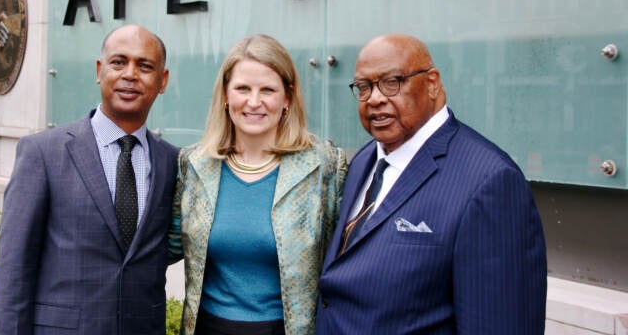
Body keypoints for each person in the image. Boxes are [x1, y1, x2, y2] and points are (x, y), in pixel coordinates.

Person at [315, 33, 547, 334]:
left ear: (433, 83)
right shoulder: (363, 161)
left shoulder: (490, 182)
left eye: (391, 82)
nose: (375, 98)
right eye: (364, 87)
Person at [0, 24, 179, 334]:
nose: (130, 74)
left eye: (145, 66)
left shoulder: (172, 162)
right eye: (119, 62)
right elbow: (14, 270)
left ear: (163, 80)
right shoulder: (43, 153)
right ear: (99, 70)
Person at [169, 34, 347, 335]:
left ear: (287, 97)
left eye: (268, 89)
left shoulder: (324, 167)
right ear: (226, 94)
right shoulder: (194, 164)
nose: (254, 102)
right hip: (208, 328)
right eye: (242, 88)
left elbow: (344, 267)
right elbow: (165, 248)